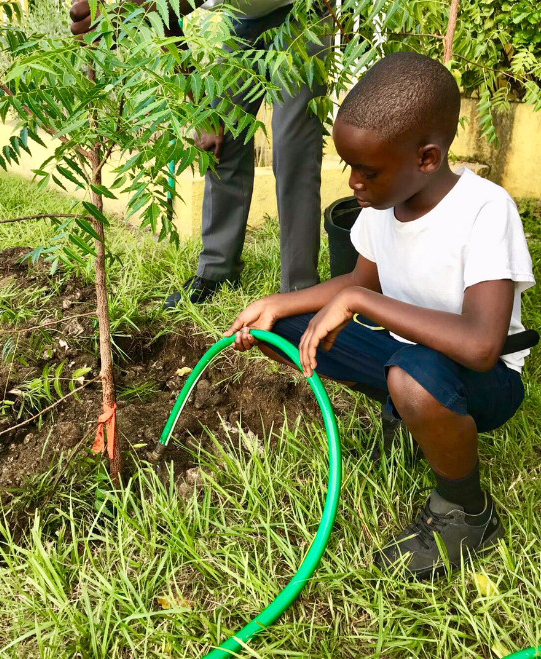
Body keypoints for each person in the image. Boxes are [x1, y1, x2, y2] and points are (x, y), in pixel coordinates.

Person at [226, 51, 535, 578]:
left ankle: (466, 510)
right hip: (410, 356)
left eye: (367, 171)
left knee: (412, 377)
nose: (353, 183)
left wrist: (360, 303)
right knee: (288, 330)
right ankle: (409, 412)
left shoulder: (484, 210)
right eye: (350, 166)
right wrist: (281, 303)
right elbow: (357, 282)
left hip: (485, 377)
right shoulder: (383, 205)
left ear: (428, 159)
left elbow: (483, 344)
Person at [70, 0, 337, 306]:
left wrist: (116, 16)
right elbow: (171, 23)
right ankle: (215, 272)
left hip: (304, 6)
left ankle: (299, 289)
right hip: (246, 21)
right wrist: (201, 116)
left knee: (291, 143)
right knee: (223, 139)